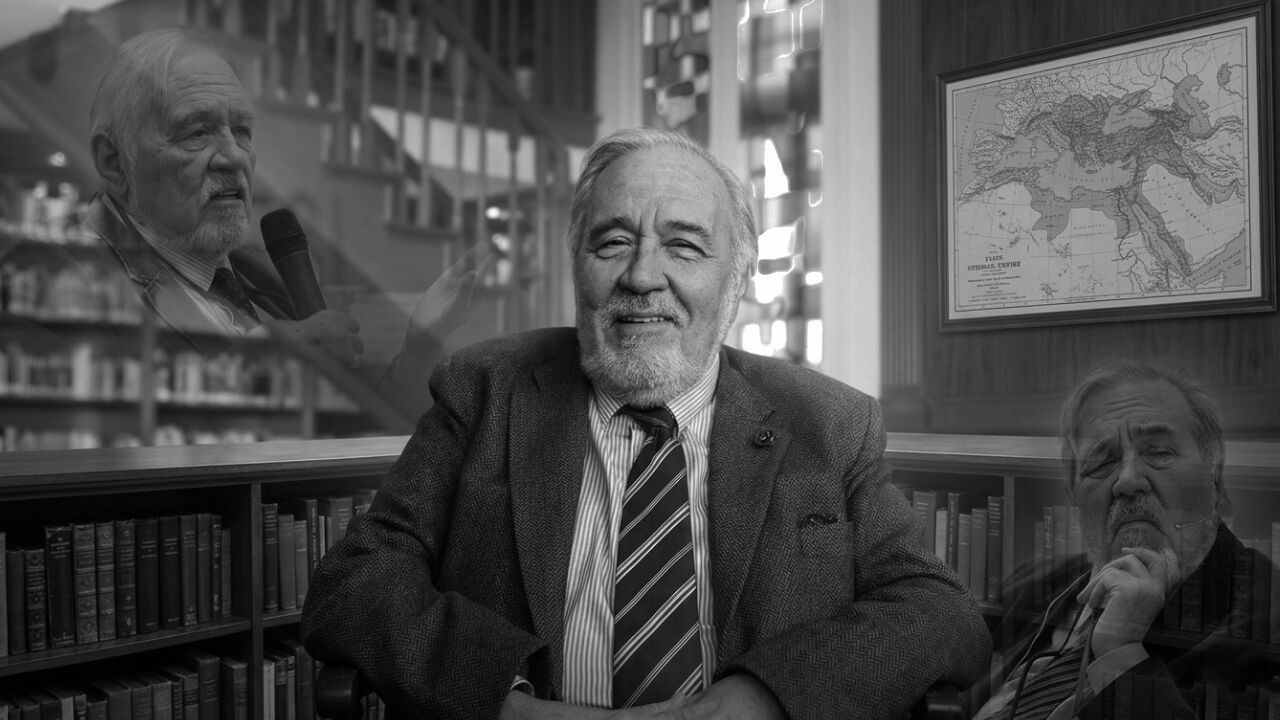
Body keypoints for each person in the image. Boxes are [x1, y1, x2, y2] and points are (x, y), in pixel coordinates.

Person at [301, 126, 991, 719]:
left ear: (737, 278)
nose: (641, 277)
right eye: (612, 242)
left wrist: (763, 697)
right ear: (578, 265)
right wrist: (506, 704)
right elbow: (355, 582)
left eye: (684, 247)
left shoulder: (831, 421)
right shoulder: (484, 390)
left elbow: (939, 610)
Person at [74, 28, 484, 426]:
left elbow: (353, 432)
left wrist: (421, 345)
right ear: (114, 163)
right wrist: (257, 360)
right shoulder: (69, 283)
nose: (235, 157)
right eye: (197, 132)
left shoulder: (257, 272)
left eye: (242, 131)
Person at [974, 361, 1273, 720]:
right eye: (1102, 463)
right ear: (1072, 492)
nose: (1128, 480)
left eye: (1159, 452)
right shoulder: (1030, 588)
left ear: (1214, 473)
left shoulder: (1265, 617)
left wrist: (1120, 654)